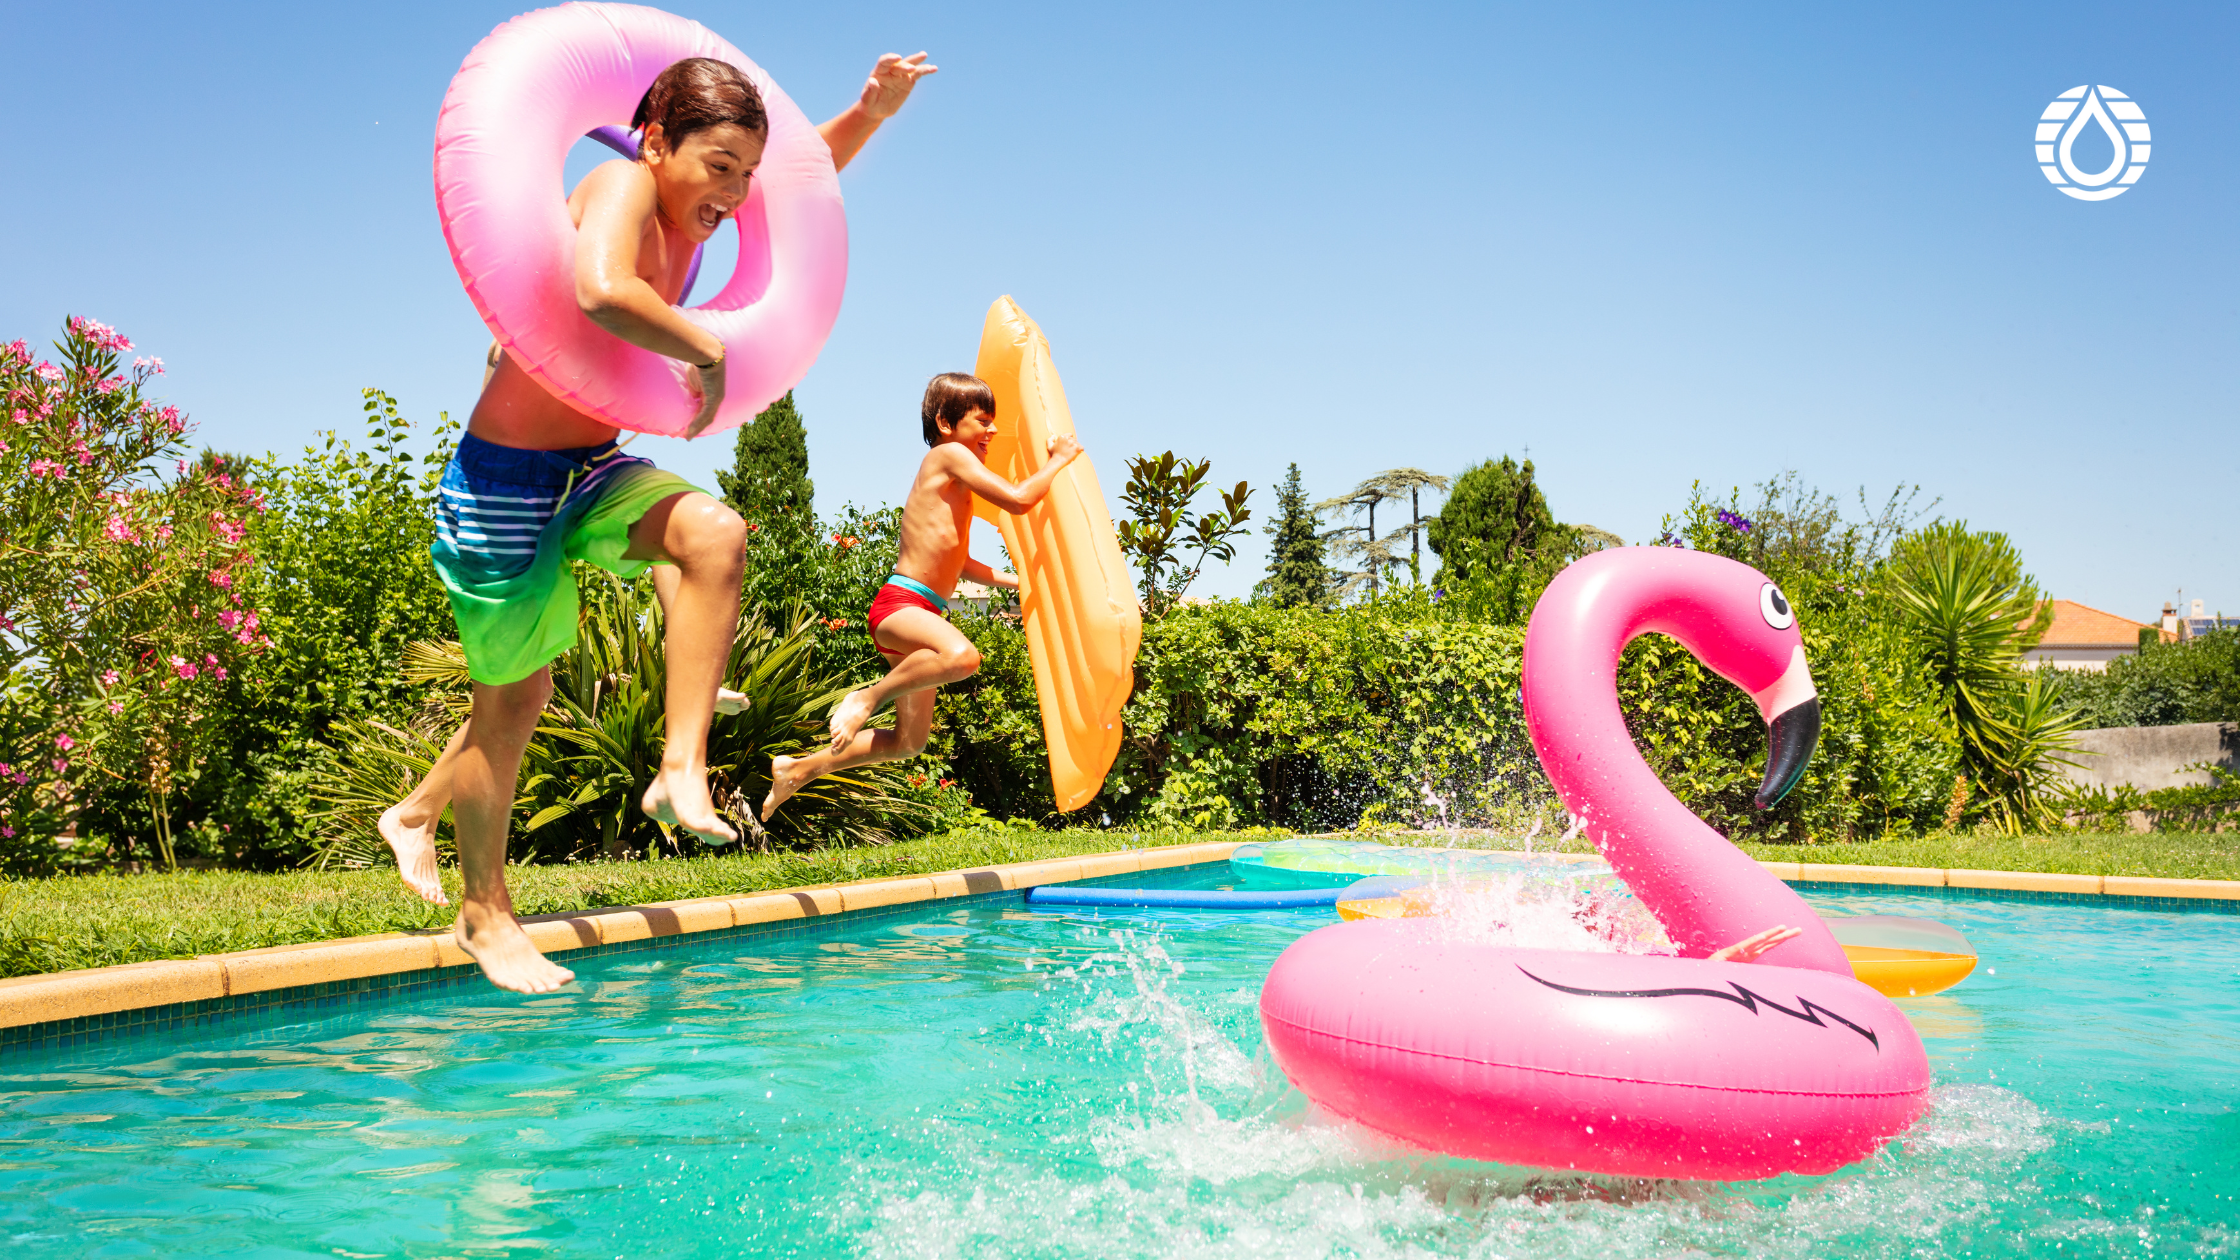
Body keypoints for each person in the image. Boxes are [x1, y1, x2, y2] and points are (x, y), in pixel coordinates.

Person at [382, 51, 937, 994]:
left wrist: (868, 114)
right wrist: (703, 344)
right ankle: (483, 910)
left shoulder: (700, 213)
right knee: (515, 701)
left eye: (745, 174)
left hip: (591, 466)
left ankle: (680, 765)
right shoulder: (620, 186)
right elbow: (601, 288)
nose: (734, 191)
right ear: (656, 142)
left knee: (713, 533)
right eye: (718, 166)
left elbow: (802, 193)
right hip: (504, 481)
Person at [759, 373, 1080, 819]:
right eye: (982, 421)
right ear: (946, 423)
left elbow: (959, 562)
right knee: (964, 657)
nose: (992, 431)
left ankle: (797, 769)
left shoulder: (955, 480)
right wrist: (1058, 461)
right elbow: (1020, 499)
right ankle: (867, 698)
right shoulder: (949, 456)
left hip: (920, 610)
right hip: (902, 605)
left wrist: (1020, 582)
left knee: (907, 743)